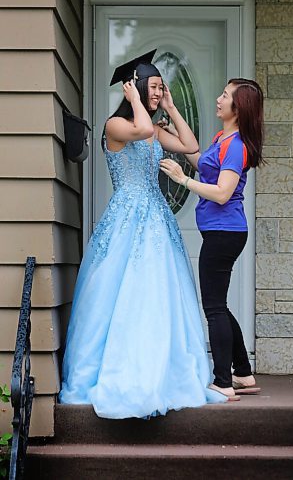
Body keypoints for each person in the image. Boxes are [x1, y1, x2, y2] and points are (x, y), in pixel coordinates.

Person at [59, 50, 229, 419]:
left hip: (156, 219)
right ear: (134, 87)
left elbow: (190, 146)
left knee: (157, 293)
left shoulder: (153, 128)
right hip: (126, 218)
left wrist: (171, 105)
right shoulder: (115, 126)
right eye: (153, 87)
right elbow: (144, 130)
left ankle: (162, 371)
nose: (157, 93)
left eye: (160, 88)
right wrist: (136, 101)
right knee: (118, 293)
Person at [160, 78, 264, 400]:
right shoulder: (223, 138)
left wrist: (182, 180)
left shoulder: (237, 147)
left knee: (214, 309)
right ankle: (243, 373)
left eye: (225, 95)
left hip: (225, 233)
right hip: (221, 232)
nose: (219, 99)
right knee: (219, 305)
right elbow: (200, 161)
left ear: (238, 107)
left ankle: (223, 381)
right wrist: (172, 110)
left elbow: (221, 193)